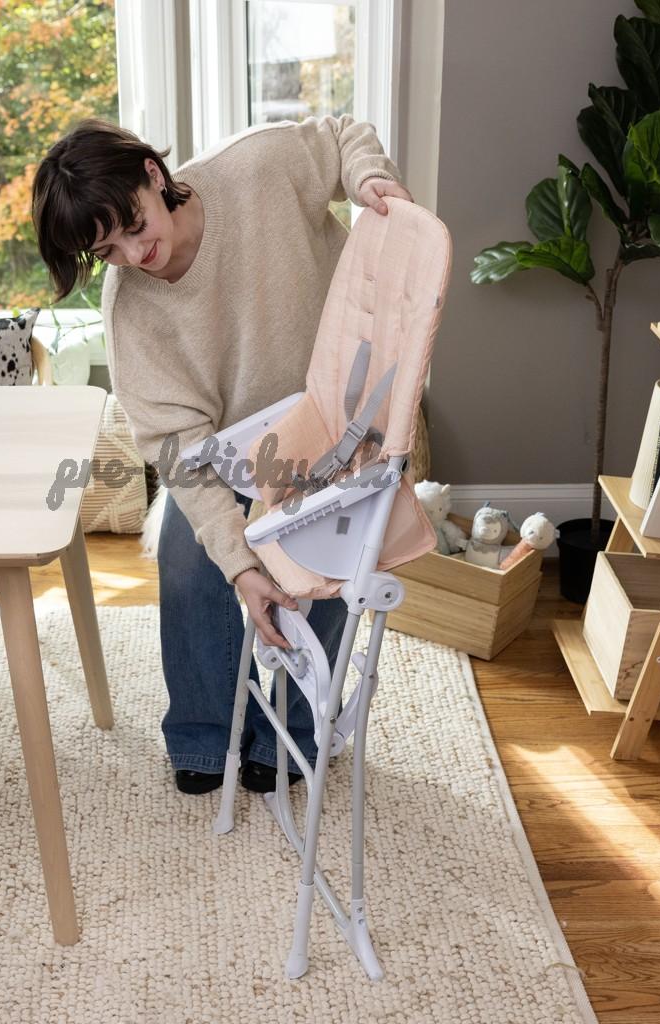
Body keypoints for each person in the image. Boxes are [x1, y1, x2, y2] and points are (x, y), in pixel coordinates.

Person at [32, 115, 412, 795]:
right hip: (230, 451)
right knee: (187, 559)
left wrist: (367, 178)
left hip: (340, 423)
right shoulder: (131, 309)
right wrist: (240, 565)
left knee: (326, 561)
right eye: (108, 250)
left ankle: (293, 731)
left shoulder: (258, 167)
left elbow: (341, 137)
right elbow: (176, 449)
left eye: (134, 225)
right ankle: (207, 737)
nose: (134, 254)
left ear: (153, 175)